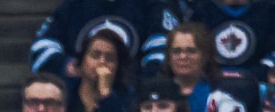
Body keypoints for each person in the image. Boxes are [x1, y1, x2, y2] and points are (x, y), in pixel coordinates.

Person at [29, 0, 177, 77]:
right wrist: (67, 66)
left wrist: (144, 79)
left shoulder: (151, 6)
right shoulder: (73, 6)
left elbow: (164, 46)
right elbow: (41, 47)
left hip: (132, 101)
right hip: (79, 97)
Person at [162, 22, 248, 112]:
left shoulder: (224, 93)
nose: (183, 57)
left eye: (191, 51)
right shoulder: (158, 91)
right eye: (177, 51)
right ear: (168, 57)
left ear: (205, 56)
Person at [65, 28, 137, 112]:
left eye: (110, 58)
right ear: (82, 61)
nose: (102, 62)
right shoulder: (66, 94)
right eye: (95, 55)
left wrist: (107, 96)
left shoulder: (128, 98)